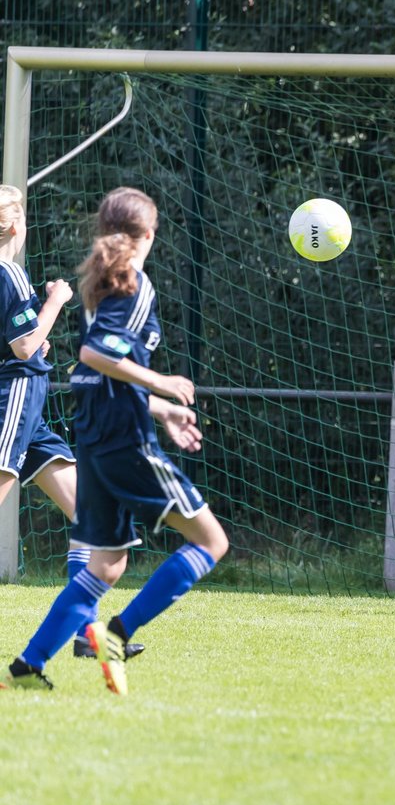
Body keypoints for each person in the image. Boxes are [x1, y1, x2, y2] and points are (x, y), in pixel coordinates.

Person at [4, 186, 228, 693]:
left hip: (96, 439)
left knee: (106, 564)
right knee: (212, 541)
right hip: (125, 444)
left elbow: (103, 376)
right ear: (148, 235)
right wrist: (162, 383)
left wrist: (164, 409)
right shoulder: (134, 284)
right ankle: (115, 634)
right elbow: (95, 356)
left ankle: (27, 667)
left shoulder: (96, 284)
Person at [0, 184, 143, 663]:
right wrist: (57, 300)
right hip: (13, 398)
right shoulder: (11, 274)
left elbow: (18, 340)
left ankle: (86, 633)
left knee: (90, 515)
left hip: (29, 407)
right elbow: (23, 347)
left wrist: (32, 339)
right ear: (17, 225)